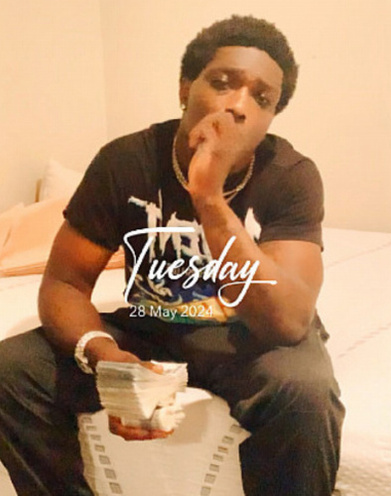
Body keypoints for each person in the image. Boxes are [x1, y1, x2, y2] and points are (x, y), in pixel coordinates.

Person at [0, 15, 345, 496]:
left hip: (246, 337)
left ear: (271, 117)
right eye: (222, 83)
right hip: (154, 324)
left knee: (305, 391)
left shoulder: (290, 175)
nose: (239, 106)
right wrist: (105, 356)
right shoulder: (125, 162)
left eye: (262, 99)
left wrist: (210, 199)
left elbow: (287, 321)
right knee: (11, 367)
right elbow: (64, 283)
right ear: (185, 88)